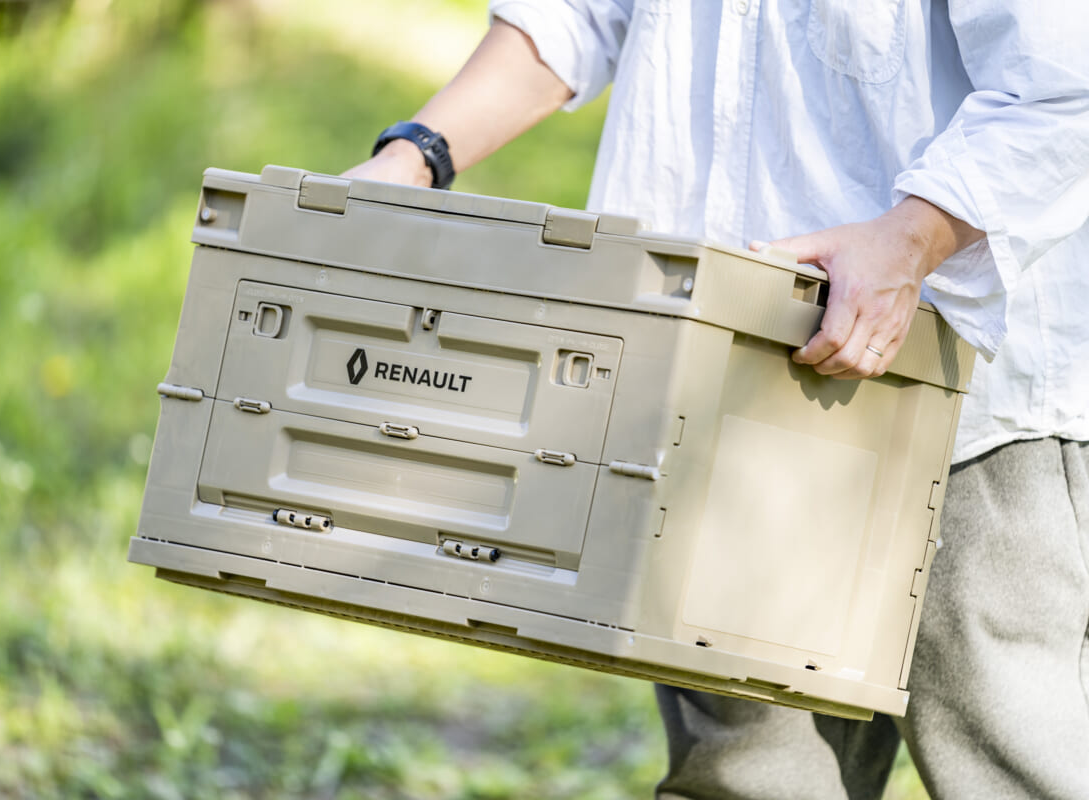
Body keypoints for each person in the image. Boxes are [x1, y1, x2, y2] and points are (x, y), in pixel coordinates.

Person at [344, 3, 1089, 797]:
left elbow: (1064, 85)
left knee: (1011, 763)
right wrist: (417, 155)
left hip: (963, 404)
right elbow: (577, 13)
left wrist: (911, 238)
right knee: (747, 773)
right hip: (716, 380)